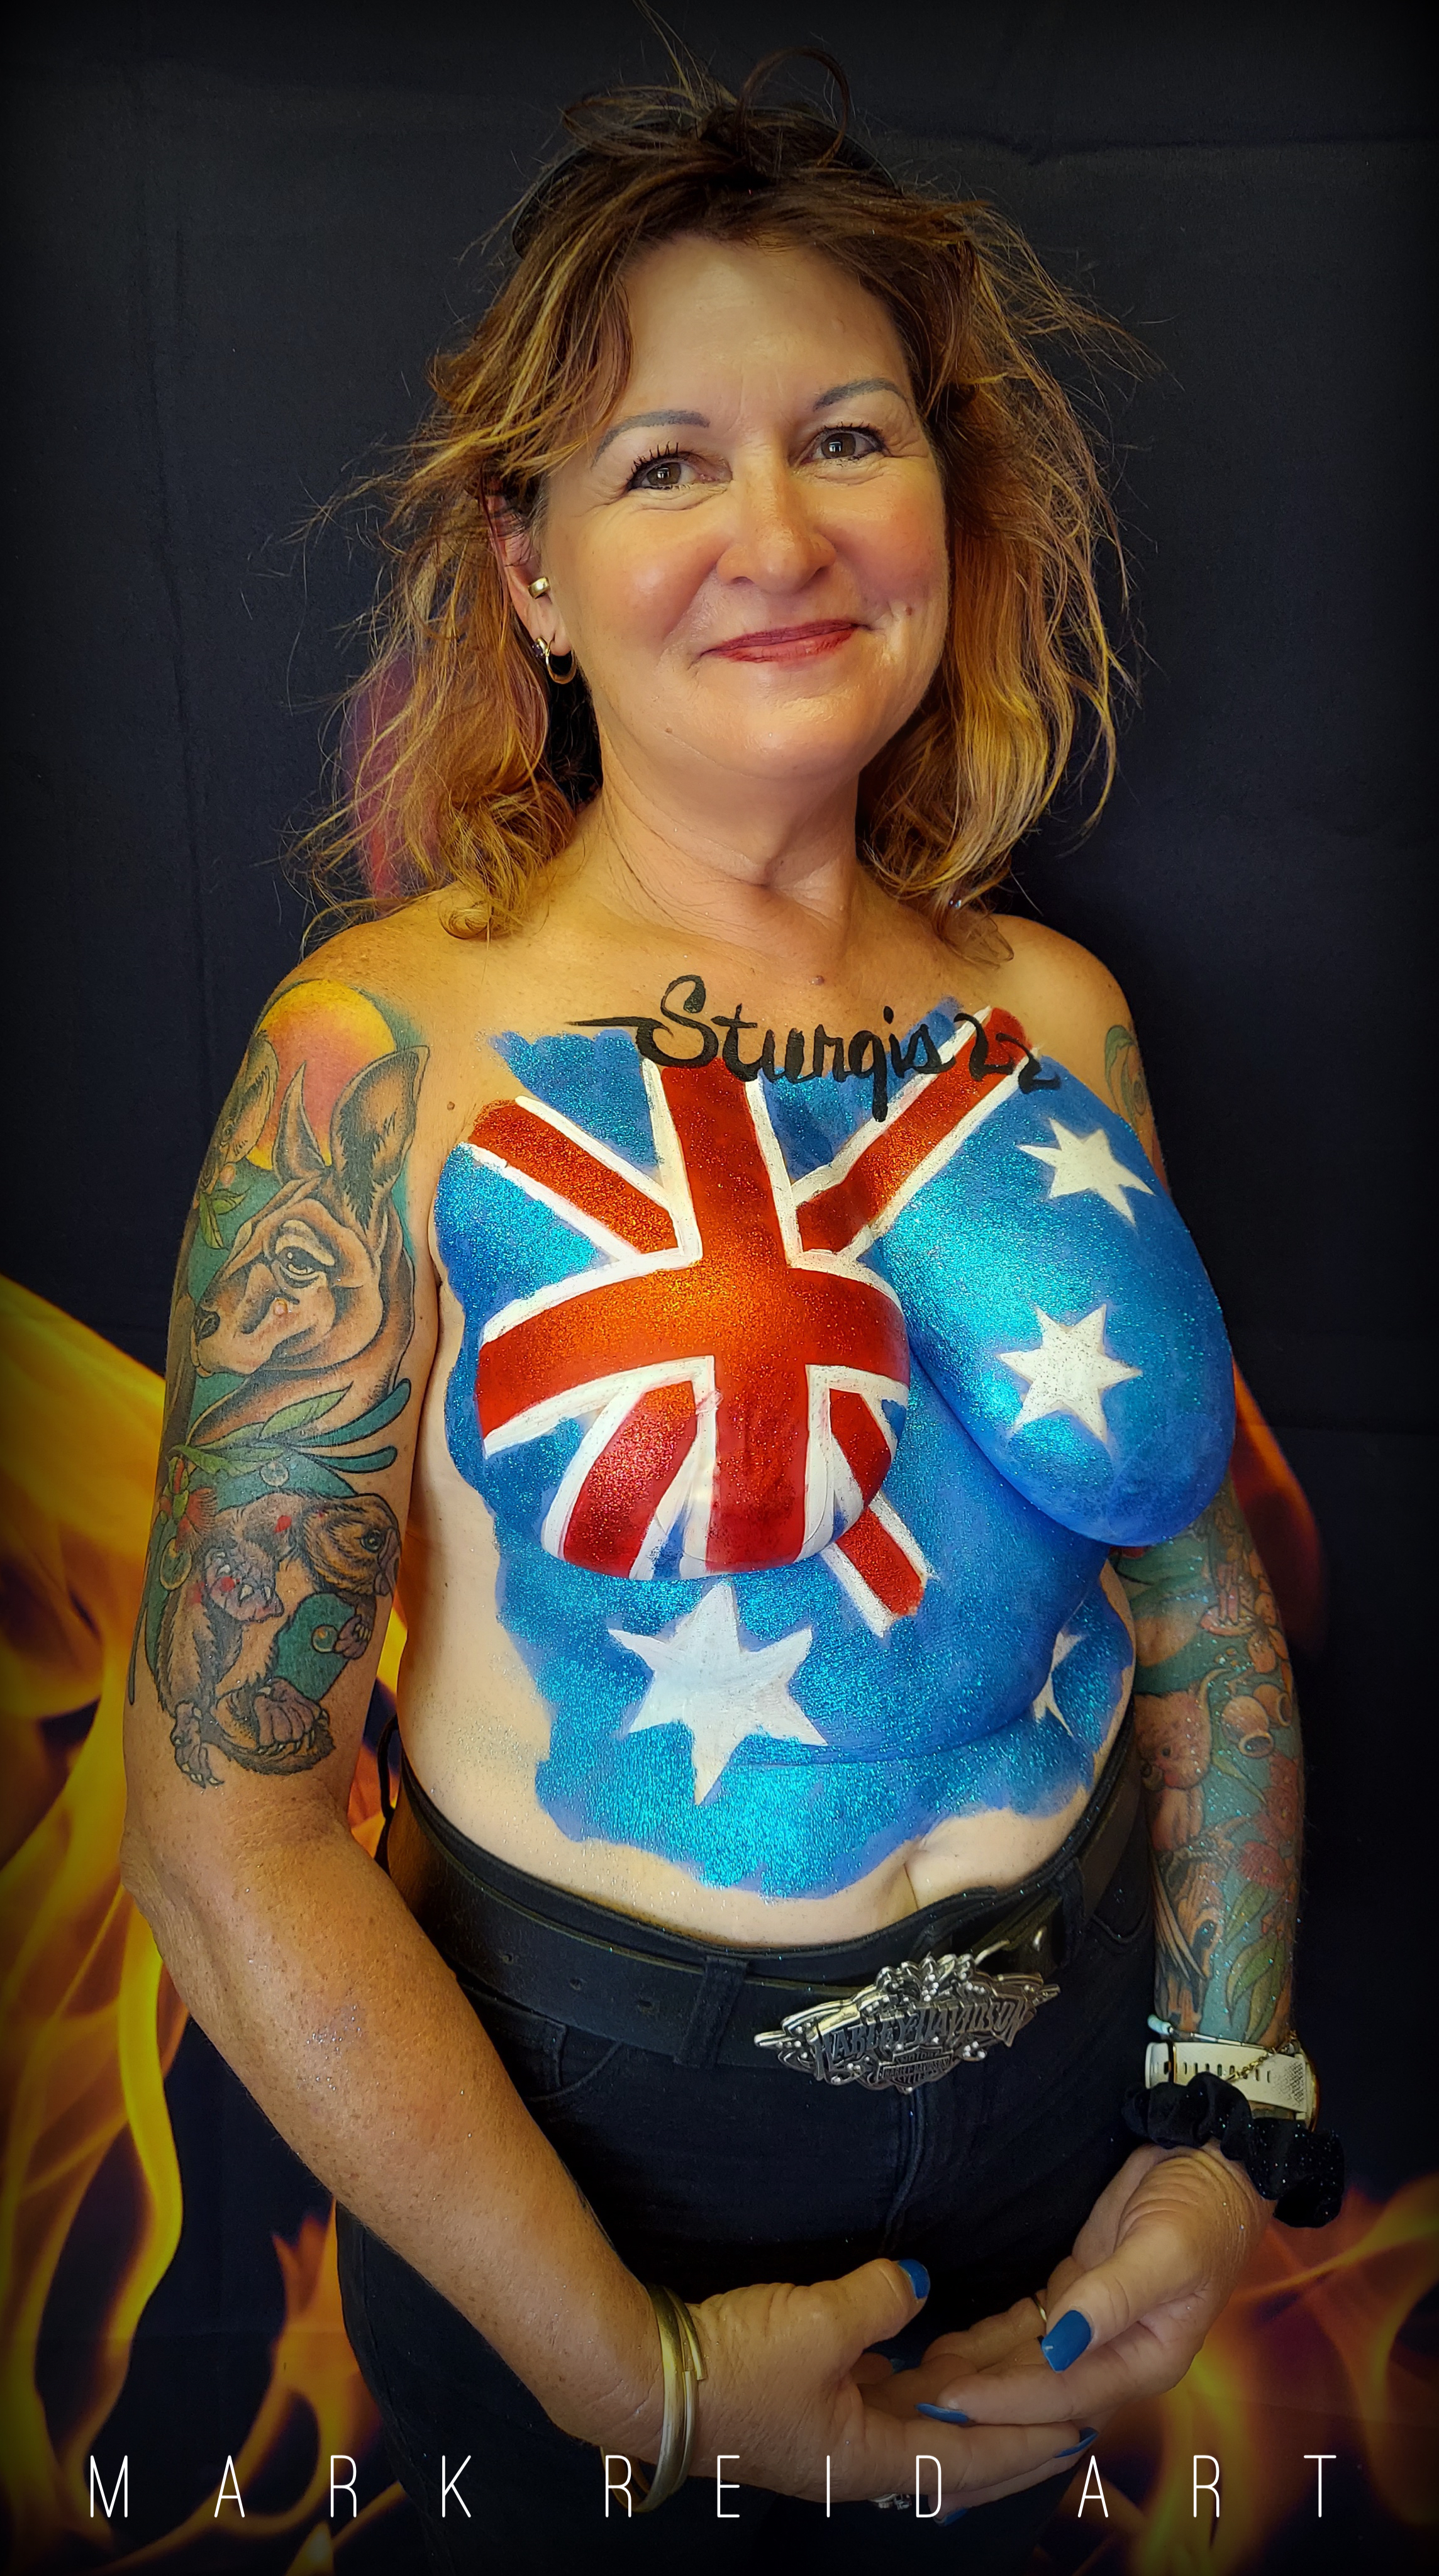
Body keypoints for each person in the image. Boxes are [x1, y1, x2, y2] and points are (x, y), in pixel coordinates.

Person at [121, 60, 1341, 2575]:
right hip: (580, 2149)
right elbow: (219, 1822)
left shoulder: (1058, 1016)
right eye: (665, 461)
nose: (776, 530)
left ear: (943, 507)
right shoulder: (385, 1055)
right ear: (532, 567)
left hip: (1061, 2093)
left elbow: (1198, 1597)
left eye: (847, 437)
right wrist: (635, 2372)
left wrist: (1225, 2106)